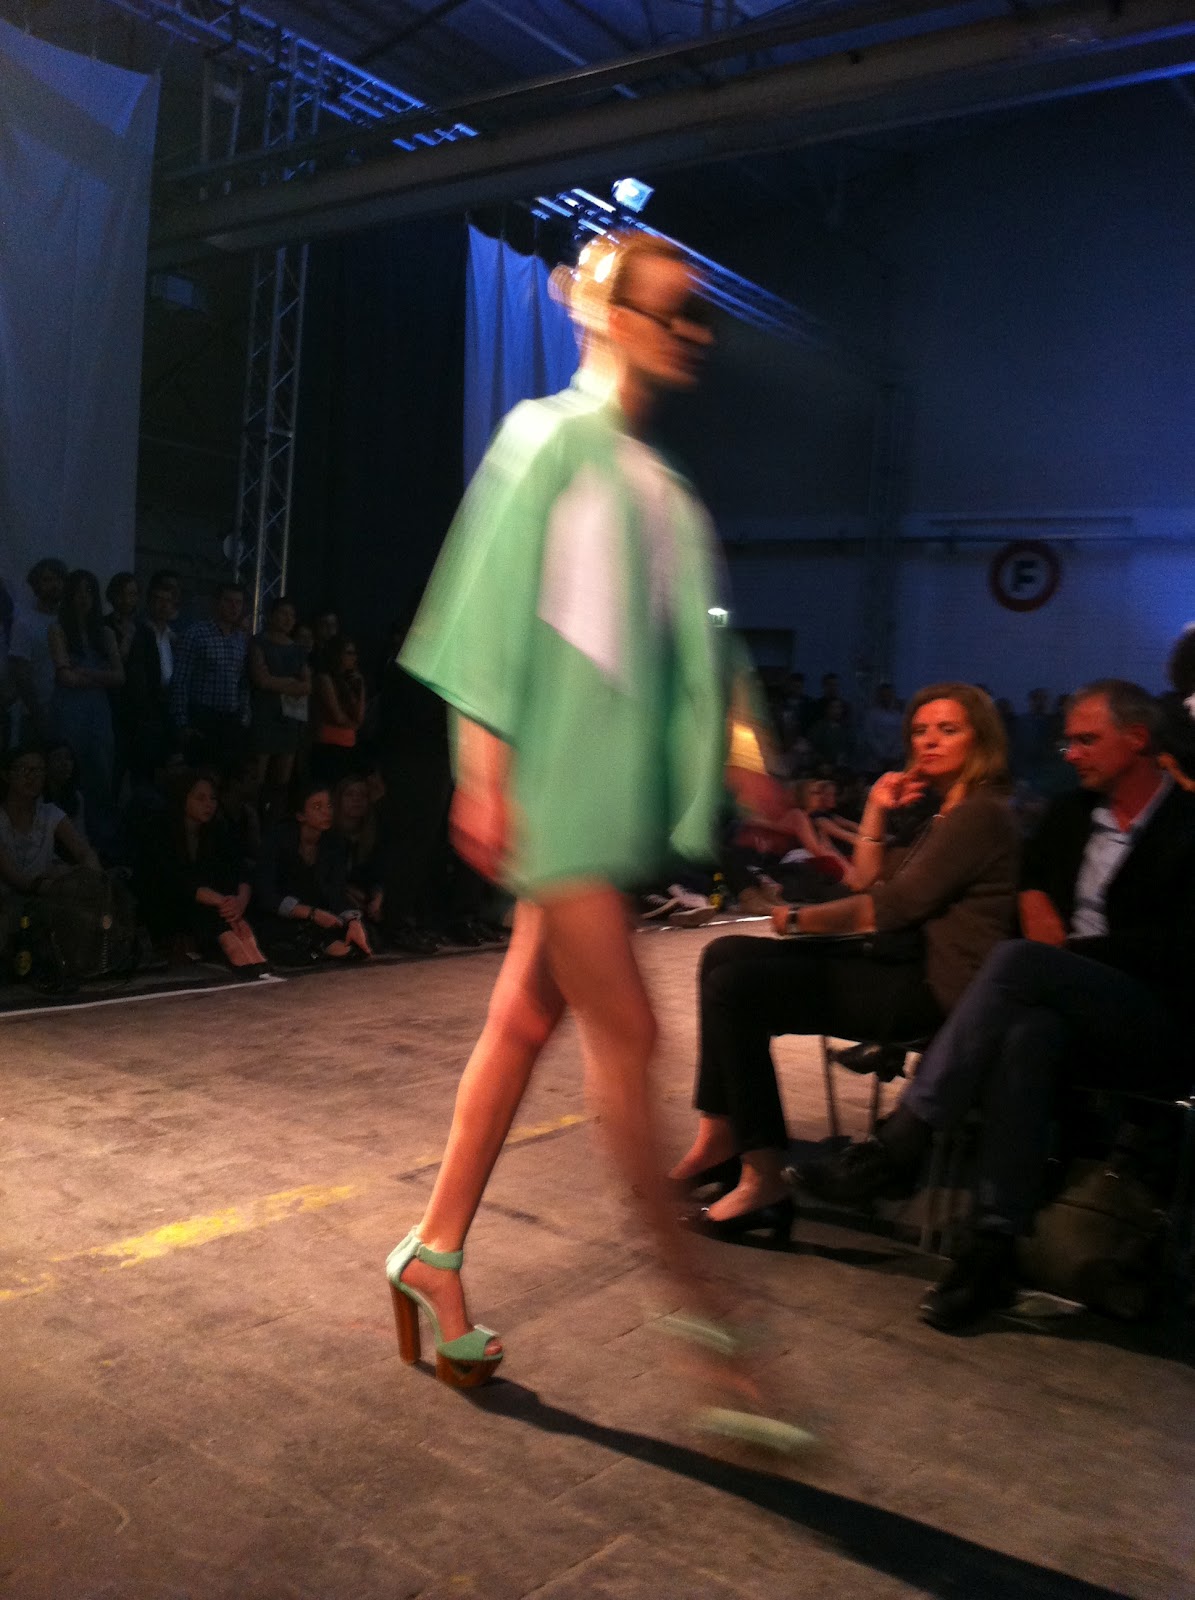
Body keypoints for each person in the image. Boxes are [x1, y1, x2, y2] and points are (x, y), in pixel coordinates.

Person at [385, 231, 793, 1430]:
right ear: (609, 315)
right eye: (674, 311)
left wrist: (753, 762)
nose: (695, 333)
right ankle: (716, 1345)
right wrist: (482, 766)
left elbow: (707, 648)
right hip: (554, 800)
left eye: (701, 315)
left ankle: (433, 1252)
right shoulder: (548, 439)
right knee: (631, 1038)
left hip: (605, 807)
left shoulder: (663, 487)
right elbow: (483, 598)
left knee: (521, 1024)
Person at [802, 680, 1195, 1331]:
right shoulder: (1072, 815)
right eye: (1067, 741)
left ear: (1137, 739)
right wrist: (1041, 916)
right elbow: (1030, 882)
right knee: (1026, 1034)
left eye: (1086, 740)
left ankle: (902, 1142)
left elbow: (1177, 949)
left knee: (1018, 965)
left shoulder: (1187, 824)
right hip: (1062, 1006)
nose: (1070, 753)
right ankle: (990, 1249)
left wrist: (1070, 956)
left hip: (1155, 1020)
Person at [671, 683, 1019, 1237]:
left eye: (947, 730)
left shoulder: (981, 815)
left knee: (736, 983)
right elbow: (863, 878)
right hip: (897, 968)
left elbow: (891, 906)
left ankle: (761, 1179)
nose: (928, 741)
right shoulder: (940, 814)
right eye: (920, 731)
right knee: (723, 954)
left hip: (933, 991)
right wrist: (877, 808)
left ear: (981, 740)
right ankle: (720, 1140)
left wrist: (797, 919)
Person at [136, 771, 267, 975]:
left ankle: (245, 944)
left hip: (212, 903)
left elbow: (238, 868)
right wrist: (221, 902)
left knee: (236, 901)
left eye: (213, 799)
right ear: (183, 797)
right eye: (200, 798)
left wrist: (240, 901)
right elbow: (173, 880)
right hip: (169, 904)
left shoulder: (217, 830)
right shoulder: (159, 830)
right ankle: (231, 944)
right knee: (207, 909)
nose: (209, 804)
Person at [253, 779, 372, 963]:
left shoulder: (334, 844)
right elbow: (266, 894)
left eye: (329, 806)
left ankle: (326, 943)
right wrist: (311, 913)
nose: (327, 812)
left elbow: (336, 891)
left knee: (362, 933)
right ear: (300, 815)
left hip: (320, 914)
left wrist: (353, 921)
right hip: (281, 914)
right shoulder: (278, 840)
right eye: (317, 807)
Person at [48, 569, 123, 848]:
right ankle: (64, 841)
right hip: (69, 710)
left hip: (97, 713)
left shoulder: (105, 633)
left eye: (89, 591)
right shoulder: (57, 630)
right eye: (78, 591)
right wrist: (100, 677)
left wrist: (83, 673)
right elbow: (65, 677)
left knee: (101, 774)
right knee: (66, 772)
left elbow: (120, 676)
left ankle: (100, 841)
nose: (84, 597)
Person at [171, 581, 250, 766]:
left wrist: (244, 715)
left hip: (231, 719)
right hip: (203, 716)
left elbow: (242, 682)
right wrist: (182, 722)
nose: (234, 607)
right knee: (200, 773)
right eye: (228, 601)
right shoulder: (196, 634)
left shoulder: (241, 639)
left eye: (238, 603)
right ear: (216, 603)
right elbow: (180, 680)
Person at [248, 596, 311, 808]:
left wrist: (277, 682)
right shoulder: (258, 643)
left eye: (292, 615)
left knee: (282, 782)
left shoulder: (298, 649)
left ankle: (274, 820)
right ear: (271, 615)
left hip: (290, 717)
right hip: (263, 716)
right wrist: (291, 682)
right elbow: (261, 680)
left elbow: (308, 686)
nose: (288, 619)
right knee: (257, 778)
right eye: (283, 613)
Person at [122, 571, 179, 785]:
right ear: (148, 602)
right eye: (158, 599)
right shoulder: (137, 632)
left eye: (167, 601)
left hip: (167, 707)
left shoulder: (174, 638)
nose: (163, 605)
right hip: (144, 711)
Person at [8, 557, 67, 743]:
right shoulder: (25, 623)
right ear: (36, 585)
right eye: (47, 580)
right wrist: (38, 714)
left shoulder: (68, 621)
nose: (54, 585)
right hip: (36, 713)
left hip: (69, 711)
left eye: (59, 579)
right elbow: (21, 675)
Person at [310, 635, 366, 786]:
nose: (354, 657)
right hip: (329, 745)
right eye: (349, 653)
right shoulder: (324, 679)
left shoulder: (348, 681)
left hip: (347, 744)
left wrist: (361, 687)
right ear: (337, 654)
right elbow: (338, 717)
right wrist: (355, 725)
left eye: (354, 653)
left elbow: (360, 716)